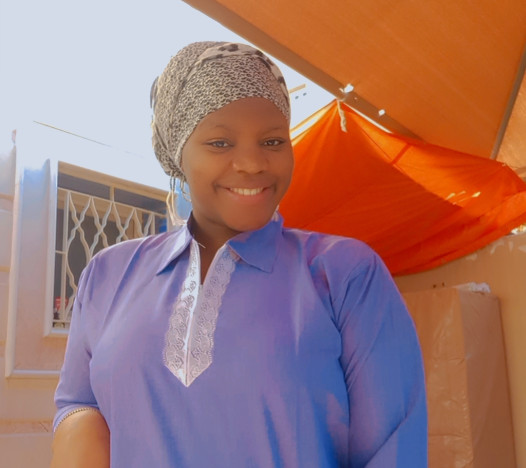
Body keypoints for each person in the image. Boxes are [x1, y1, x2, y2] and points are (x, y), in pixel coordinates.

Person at [51, 41, 427, 467]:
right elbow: (79, 402)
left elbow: (395, 450)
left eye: (272, 140)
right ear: (177, 153)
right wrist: (78, 424)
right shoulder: (108, 274)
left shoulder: (345, 274)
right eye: (220, 142)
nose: (252, 163)